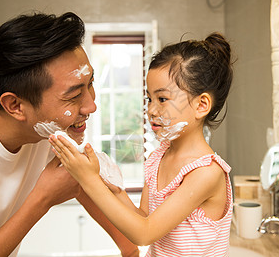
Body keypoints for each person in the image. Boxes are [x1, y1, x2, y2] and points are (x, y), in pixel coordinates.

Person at [0, 12, 138, 257]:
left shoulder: (40, 118)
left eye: (91, 83)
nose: (91, 106)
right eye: (74, 96)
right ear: (15, 106)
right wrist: (42, 198)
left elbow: (78, 180)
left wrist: (131, 250)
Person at [50, 32, 234, 256]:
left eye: (162, 99)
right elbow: (144, 218)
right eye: (149, 99)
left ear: (201, 105)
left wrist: (87, 180)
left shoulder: (206, 172)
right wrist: (113, 187)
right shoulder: (159, 157)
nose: (151, 110)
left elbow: (144, 234)